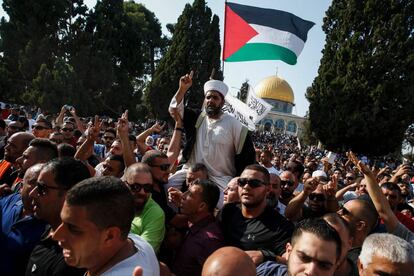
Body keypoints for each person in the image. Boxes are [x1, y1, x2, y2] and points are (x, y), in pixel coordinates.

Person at [52, 176, 160, 276]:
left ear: (110, 236)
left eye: (73, 228)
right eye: (62, 222)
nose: (56, 235)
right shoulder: (138, 243)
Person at [169, 71, 255, 193]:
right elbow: (174, 110)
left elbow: (247, 157)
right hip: (190, 172)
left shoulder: (235, 125)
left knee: (223, 206)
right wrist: (182, 89)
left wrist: (238, 180)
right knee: (167, 188)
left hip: (220, 180)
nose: (211, 100)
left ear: (222, 102)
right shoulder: (197, 118)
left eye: (215, 98)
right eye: (208, 97)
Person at [25, 158, 91, 276]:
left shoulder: (73, 259)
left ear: (70, 195)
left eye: (42, 188)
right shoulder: (47, 231)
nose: (32, 194)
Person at [219, 164, 294, 265]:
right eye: (242, 182)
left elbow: (289, 262)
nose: (246, 187)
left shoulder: (281, 227)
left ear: (267, 189)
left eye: (254, 183)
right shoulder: (228, 211)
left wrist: (265, 256)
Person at [0, 164, 47, 276]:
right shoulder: (8, 200)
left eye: (43, 186)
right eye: (33, 183)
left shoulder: (52, 226)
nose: (37, 191)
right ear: (21, 186)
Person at [172, 179, 225, 276]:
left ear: (201, 206)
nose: (183, 196)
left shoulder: (209, 241)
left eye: (190, 195)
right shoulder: (192, 224)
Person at [256, 218, 342, 276]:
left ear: (335, 268)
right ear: (289, 252)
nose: (310, 271)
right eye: (304, 258)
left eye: (323, 266)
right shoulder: (266, 272)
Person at [125, 163, 165, 253]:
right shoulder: (115, 203)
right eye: (136, 187)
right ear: (125, 185)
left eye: (147, 187)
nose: (142, 192)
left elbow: (144, 253)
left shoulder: (155, 213)